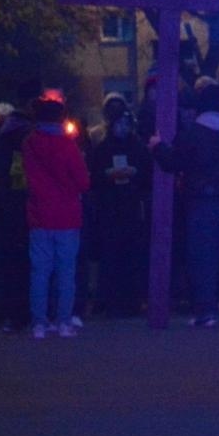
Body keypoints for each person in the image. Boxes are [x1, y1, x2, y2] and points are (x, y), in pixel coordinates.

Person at [149, 80, 219, 327]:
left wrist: (157, 147)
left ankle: (206, 311)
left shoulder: (194, 133)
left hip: (203, 201)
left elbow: (174, 162)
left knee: (203, 257)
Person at [21, 92, 91, 339]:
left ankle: (39, 322)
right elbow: (83, 181)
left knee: (40, 271)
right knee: (65, 271)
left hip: (39, 214)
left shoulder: (29, 144)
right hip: (67, 215)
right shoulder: (68, 145)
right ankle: (63, 321)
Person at [86, 108, 151, 318]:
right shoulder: (104, 148)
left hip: (131, 206)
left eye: (126, 124)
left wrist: (135, 175)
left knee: (131, 255)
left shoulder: (137, 146)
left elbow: (146, 173)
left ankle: (131, 300)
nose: (122, 128)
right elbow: (94, 176)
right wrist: (108, 175)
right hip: (111, 206)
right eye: (119, 124)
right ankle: (111, 301)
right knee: (111, 255)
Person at [0, 102, 32, 331]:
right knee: (27, 262)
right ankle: (27, 311)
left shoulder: (1, 143)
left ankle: (11, 313)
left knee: (8, 262)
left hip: (5, 208)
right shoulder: (28, 140)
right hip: (26, 206)